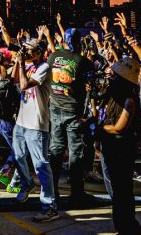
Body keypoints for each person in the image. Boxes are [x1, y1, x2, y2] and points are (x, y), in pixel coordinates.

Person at [11, 37, 59, 223]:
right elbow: (14, 79)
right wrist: (18, 62)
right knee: (18, 156)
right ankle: (26, 183)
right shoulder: (27, 65)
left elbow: (24, 85)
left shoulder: (45, 68)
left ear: (39, 52)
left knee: (41, 165)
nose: (26, 52)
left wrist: (22, 64)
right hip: (21, 121)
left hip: (37, 125)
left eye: (29, 50)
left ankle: (50, 206)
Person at [46, 25, 93, 207]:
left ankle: (53, 191)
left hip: (55, 108)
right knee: (76, 153)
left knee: (56, 151)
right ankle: (77, 193)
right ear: (79, 42)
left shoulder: (53, 57)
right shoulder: (82, 61)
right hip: (73, 110)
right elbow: (89, 86)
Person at [96, 57, 141, 235]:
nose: (111, 77)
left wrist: (97, 128)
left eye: (115, 76)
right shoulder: (110, 95)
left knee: (123, 191)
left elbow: (119, 128)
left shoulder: (129, 99)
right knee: (117, 191)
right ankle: (122, 227)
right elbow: (102, 115)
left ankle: (128, 227)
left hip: (122, 150)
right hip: (109, 147)